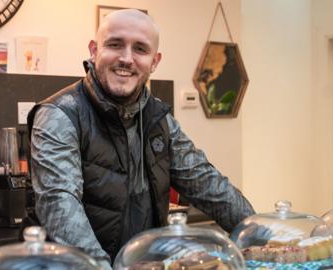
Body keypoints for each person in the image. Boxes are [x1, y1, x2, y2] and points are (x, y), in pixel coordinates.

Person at [26, 9, 255, 269]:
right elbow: (60, 206)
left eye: (140, 49)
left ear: (155, 61)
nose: (126, 59)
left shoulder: (159, 118)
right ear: (94, 50)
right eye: (114, 45)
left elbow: (207, 183)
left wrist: (260, 236)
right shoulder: (59, 115)